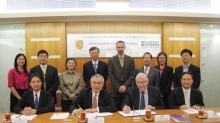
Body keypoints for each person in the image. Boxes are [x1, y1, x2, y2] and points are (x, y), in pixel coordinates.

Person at [108, 40, 135, 110]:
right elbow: (111, 75)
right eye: (118, 47)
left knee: (127, 110)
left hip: (127, 90)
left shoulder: (130, 59)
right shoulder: (111, 60)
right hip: (115, 90)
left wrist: (125, 86)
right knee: (116, 110)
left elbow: (132, 74)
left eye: (122, 47)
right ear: (116, 48)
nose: (120, 49)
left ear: (124, 48)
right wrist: (118, 87)